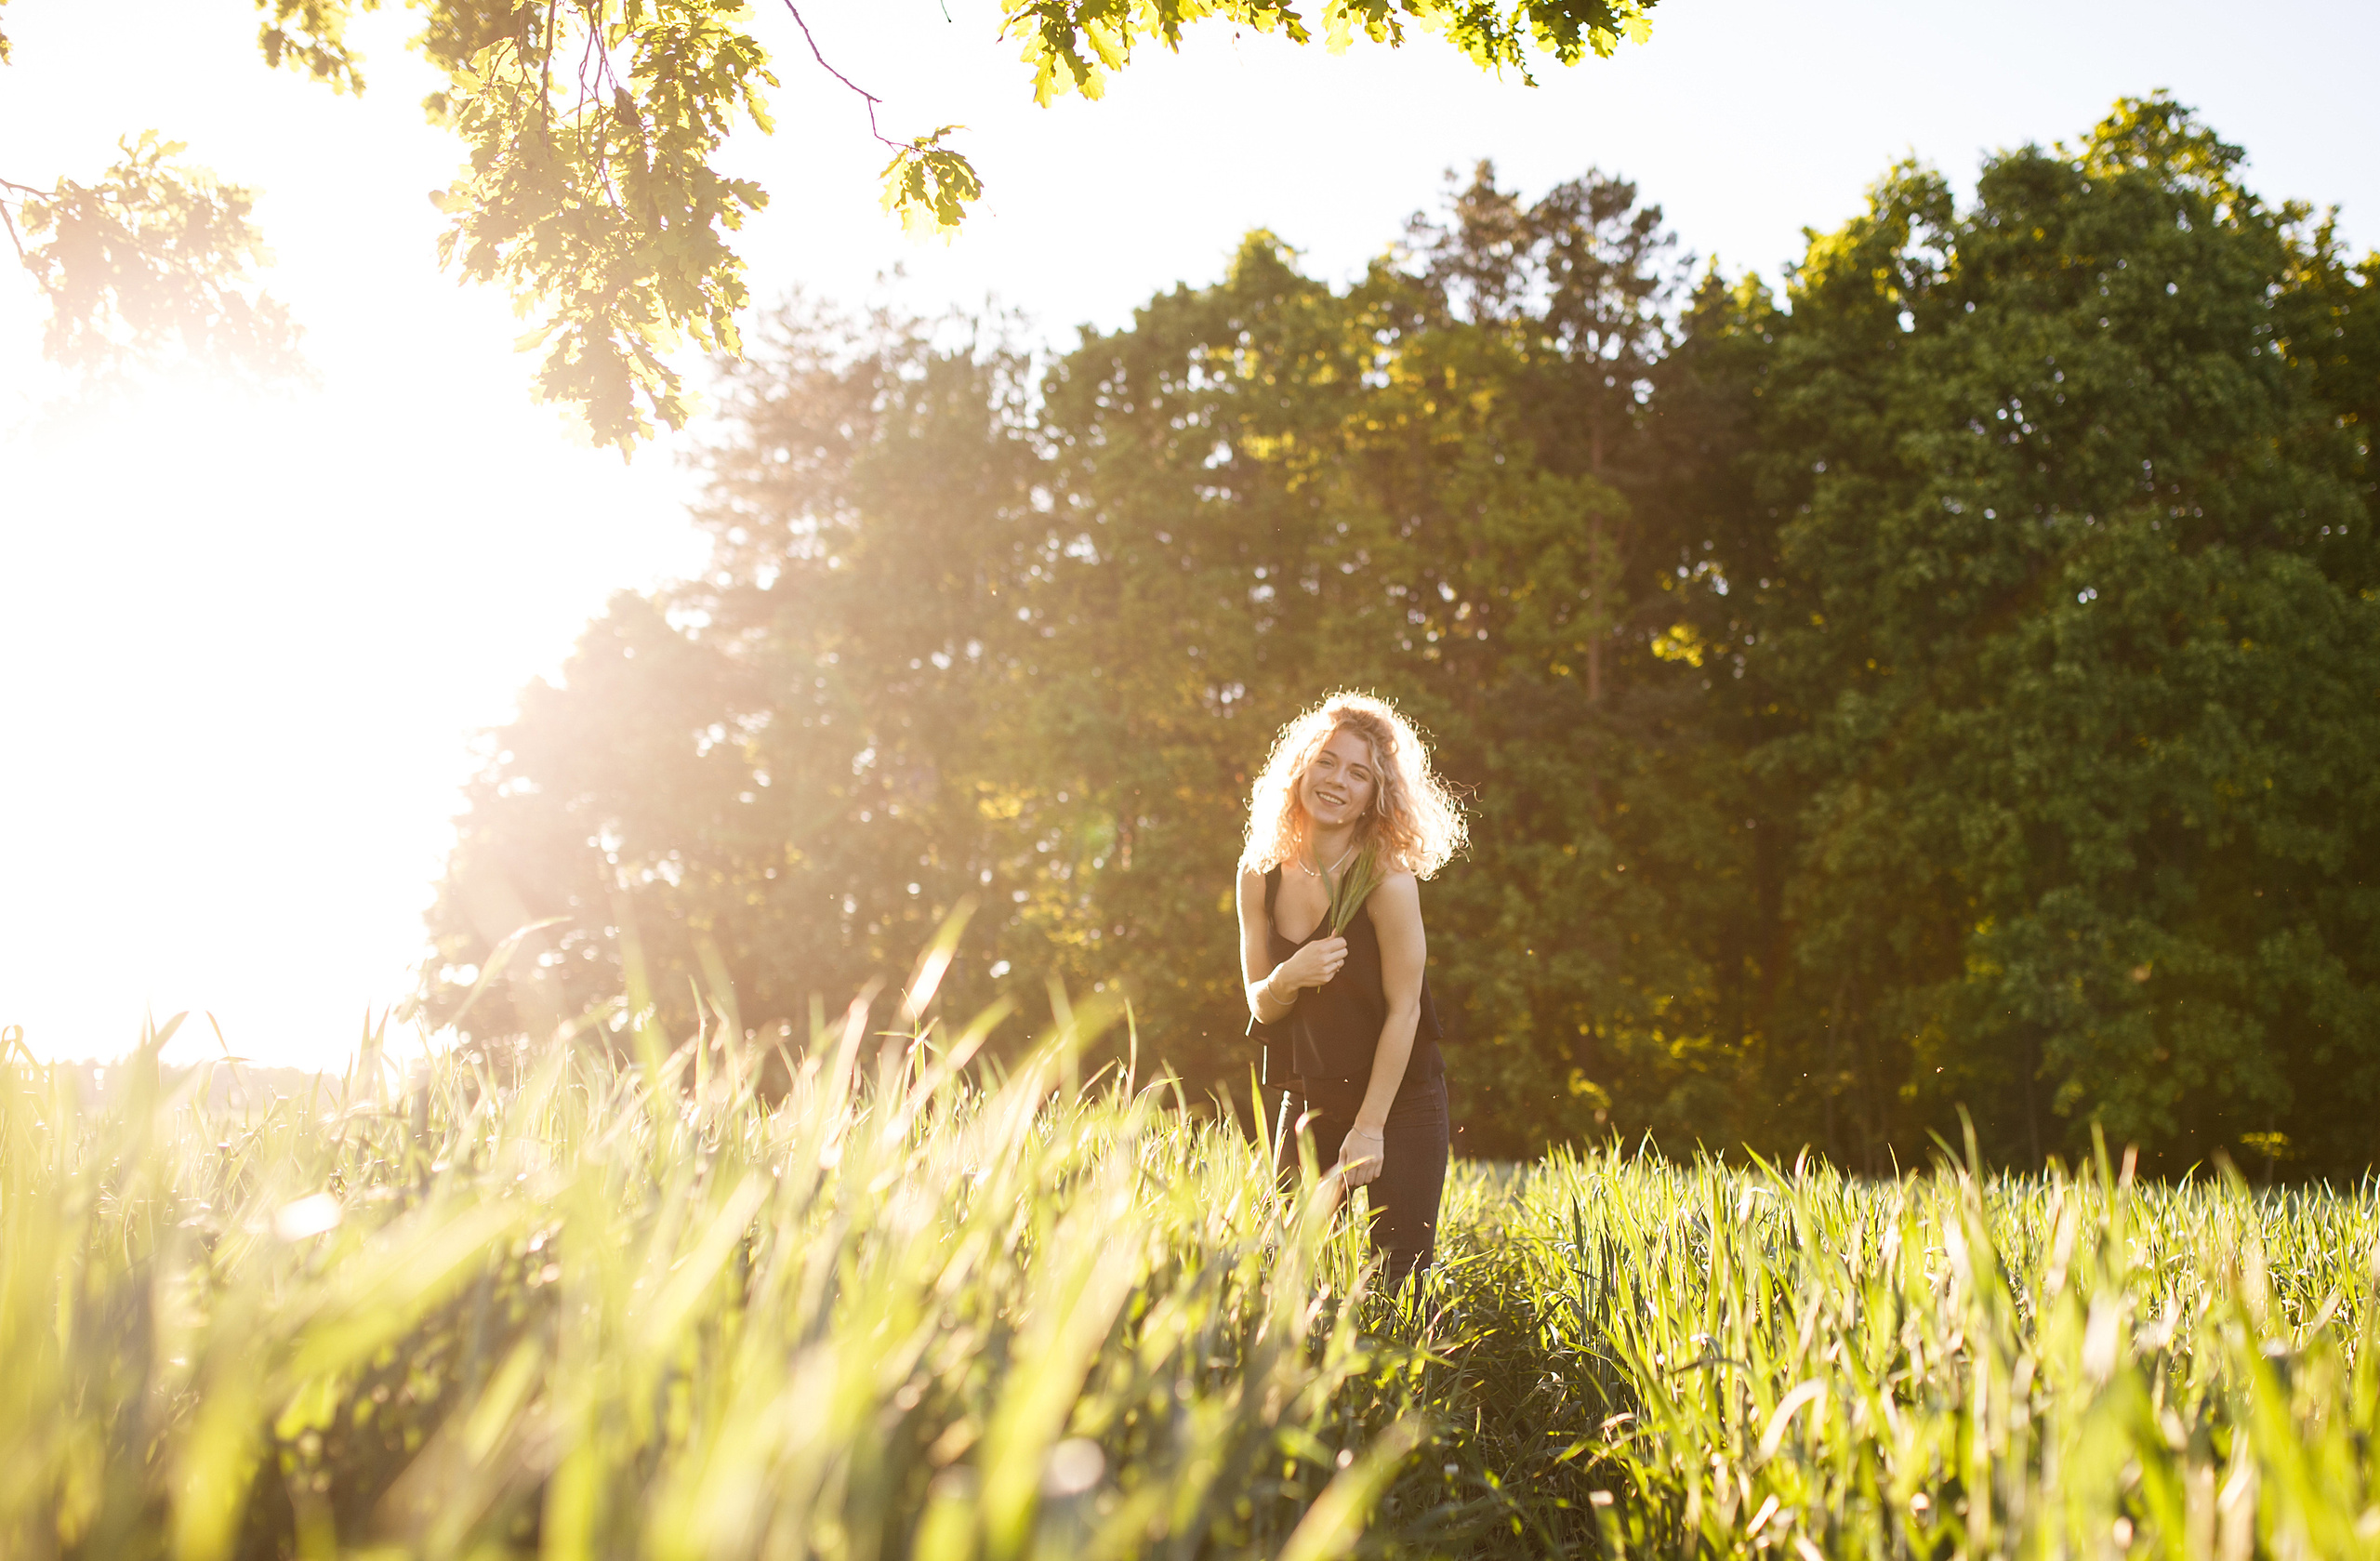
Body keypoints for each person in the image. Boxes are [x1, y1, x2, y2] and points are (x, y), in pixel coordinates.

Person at [1236, 692, 1466, 1285]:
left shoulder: (1387, 881)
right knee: (1290, 1270)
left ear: (1375, 796)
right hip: (1309, 1094)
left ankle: (1415, 1377)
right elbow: (1260, 1002)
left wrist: (1370, 1127)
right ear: (1300, 769)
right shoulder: (1258, 874)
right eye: (1328, 762)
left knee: (1400, 1281)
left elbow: (1405, 1009)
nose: (1338, 781)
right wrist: (1289, 975)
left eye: (1359, 773)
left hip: (1401, 1100)